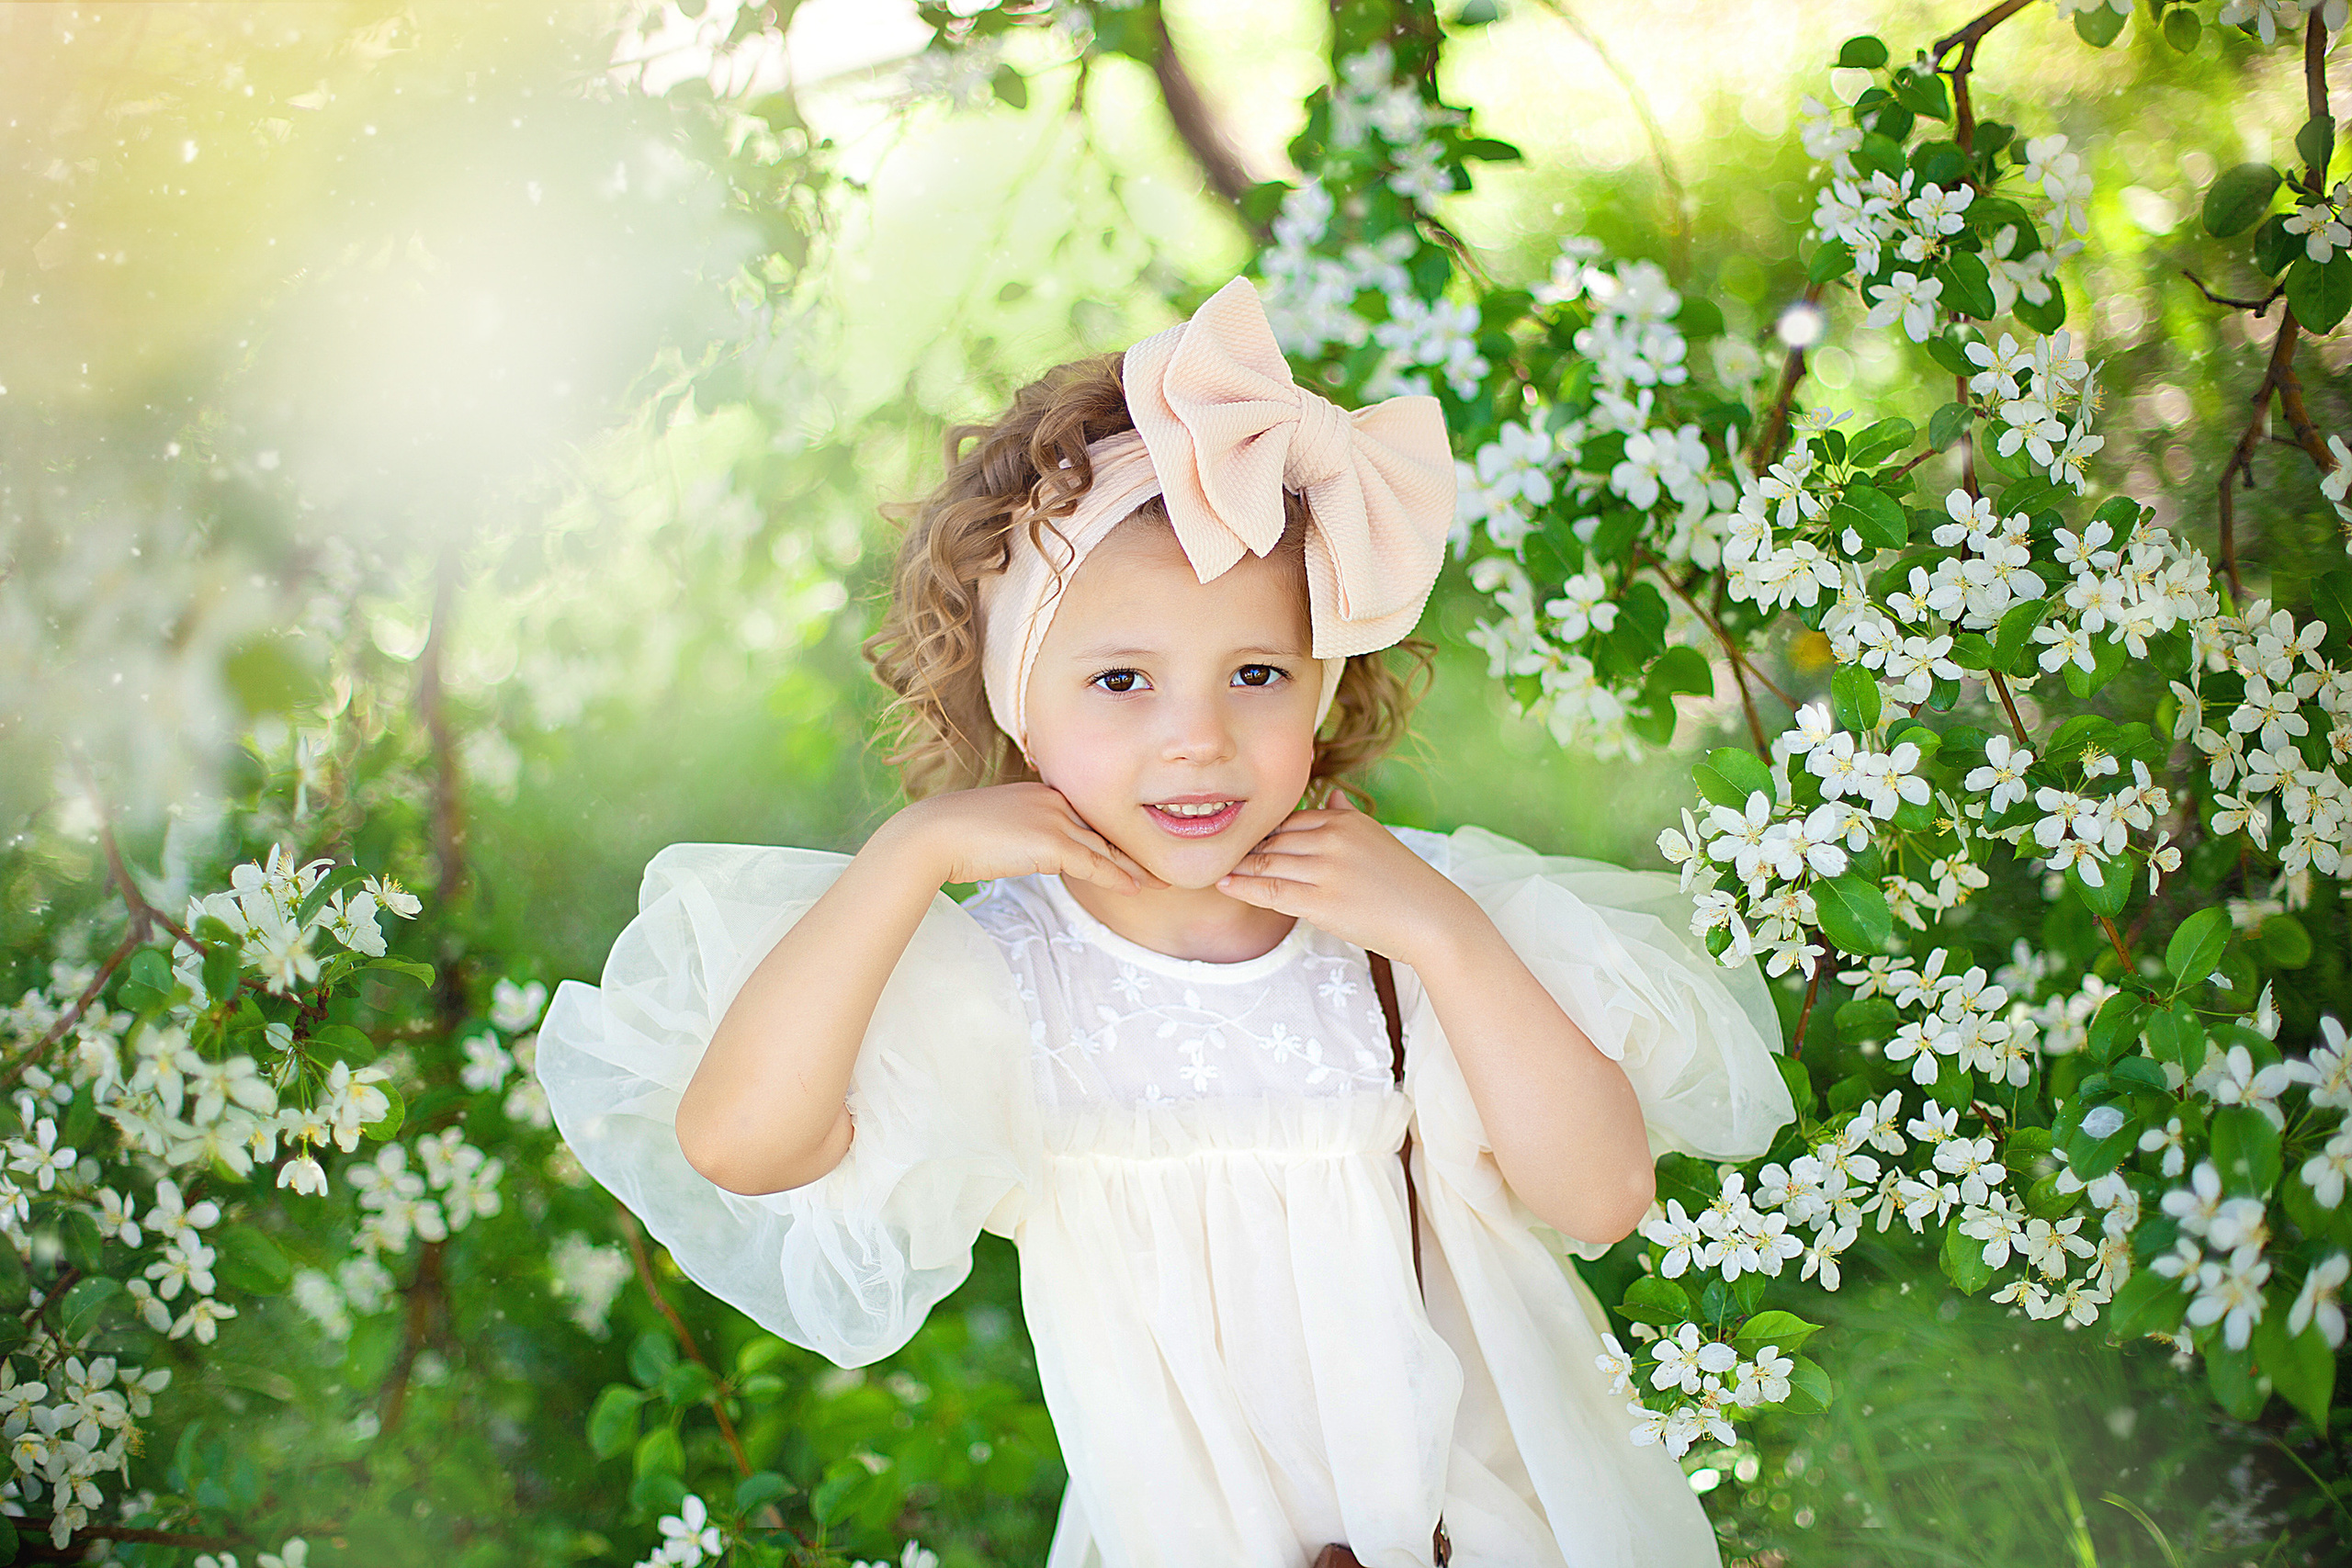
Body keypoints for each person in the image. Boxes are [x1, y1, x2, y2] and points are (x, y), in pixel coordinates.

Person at [536, 276, 1798, 1568]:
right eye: (1121, 680)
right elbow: (744, 1143)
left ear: (1323, 686)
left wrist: (1451, 941)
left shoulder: (1398, 922)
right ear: (1019, 700)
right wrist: (906, 859)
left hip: (1470, 1530)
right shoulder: (1005, 975)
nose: (1196, 737)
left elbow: (1601, 1197)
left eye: (1256, 675)